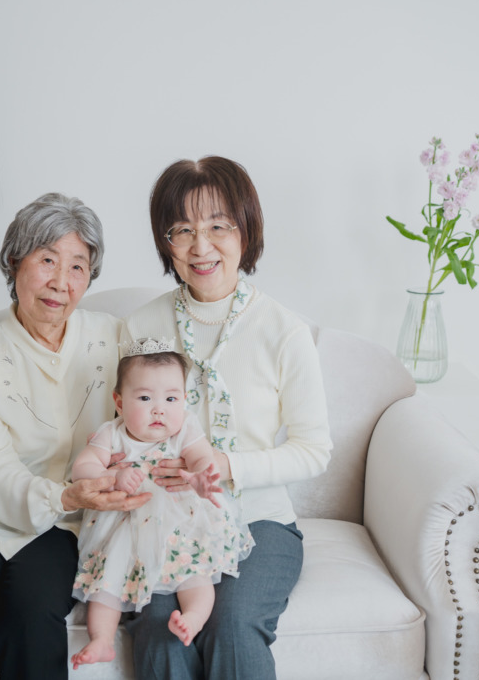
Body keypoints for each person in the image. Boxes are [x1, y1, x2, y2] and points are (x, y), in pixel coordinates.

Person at [0, 192, 151, 680]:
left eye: (77, 267)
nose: (61, 282)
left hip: (67, 525)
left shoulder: (115, 338)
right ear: (15, 262)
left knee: (31, 620)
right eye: (47, 260)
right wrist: (63, 493)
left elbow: (158, 404)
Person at [122, 156, 333, 679]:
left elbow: (314, 449)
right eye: (182, 230)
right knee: (161, 626)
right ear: (165, 242)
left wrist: (227, 466)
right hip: (163, 521)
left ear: (246, 230)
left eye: (218, 226)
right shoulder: (141, 326)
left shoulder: (284, 331)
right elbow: (120, 434)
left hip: (259, 520)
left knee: (233, 622)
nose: (201, 246)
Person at [69, 344, 254, 670]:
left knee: (194, 574)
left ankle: (193, 617)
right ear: (119, 402)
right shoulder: (111, 433)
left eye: (171, 399)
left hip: (180, 521)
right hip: (124, 525)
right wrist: (112, 476)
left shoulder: (185, 428)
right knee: (106, 584)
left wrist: (200, 477)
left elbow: (201, 456)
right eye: (145, 398)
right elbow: (82, 468)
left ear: (183, 400)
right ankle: (101, 640)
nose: (159, 410)